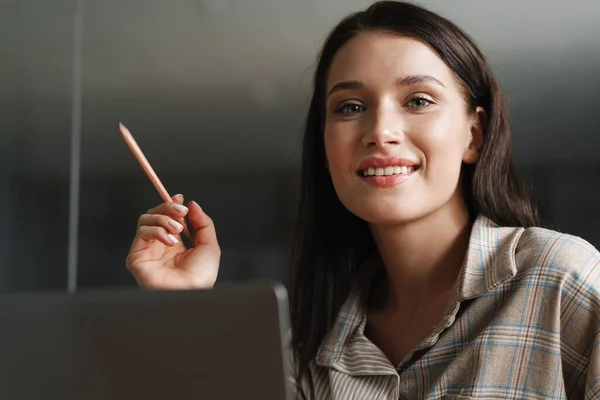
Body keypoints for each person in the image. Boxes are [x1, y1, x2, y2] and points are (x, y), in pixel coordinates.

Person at [125, 1, 600, 398]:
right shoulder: (312, 357)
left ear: (473, 136)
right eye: (351, 107)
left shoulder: (558, 278)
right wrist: (182, 307)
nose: (380, 132)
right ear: (325, 144)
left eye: (418, 100)